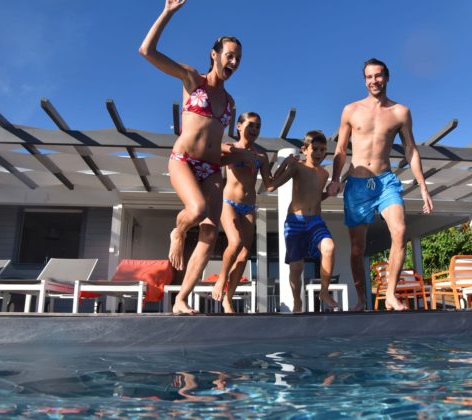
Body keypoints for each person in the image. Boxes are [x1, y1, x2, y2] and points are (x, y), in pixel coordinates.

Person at [139, 0, 253, 314]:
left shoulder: (230, 102)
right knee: (198, 209)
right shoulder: (193, 79)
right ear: (214, 54)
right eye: (229, 55)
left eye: (238, 59)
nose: (234, 61)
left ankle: (181, 299)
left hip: (211, 167)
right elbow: (147, 52)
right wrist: (168, 13)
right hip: (184, 161)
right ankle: (177, 231)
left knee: (210, 231)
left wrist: (234, 157)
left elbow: (213, 142)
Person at [326, 58, 433, 311]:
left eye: (378, 76)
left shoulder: (400, 112)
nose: (373, 81)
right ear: (364, 80)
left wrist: (423, 186)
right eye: (369, 77)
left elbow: (411, 149)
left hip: (385, 182)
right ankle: (362, 298)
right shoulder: (350, 110)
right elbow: (341, 149)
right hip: (357, 183)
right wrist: (334, 179)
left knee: (399, 231)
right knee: (356, 248)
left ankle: (391, 295)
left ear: (387, 77)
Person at [268, 131, 338, 313]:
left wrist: (328, 194)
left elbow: (315, 197)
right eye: (315, 149)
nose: (319, 153)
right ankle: (297, 300)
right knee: (297, 266)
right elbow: (271, 185)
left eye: (323, 150)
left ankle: (324, 291)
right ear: (304, 149)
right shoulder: (298, 167)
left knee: (329, 247)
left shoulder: (324, 173)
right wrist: (285, 164)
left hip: (315, 220)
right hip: (295, 221)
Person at [211, 112, 274, 313]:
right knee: (236, 242)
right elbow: (210, 147)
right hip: (228, 201)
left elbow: (270, 185)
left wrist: (288, 167)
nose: (254, 130)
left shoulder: (261, 157)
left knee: (245, 254)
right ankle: (221, 279)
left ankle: (228, 299)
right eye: (251, 125)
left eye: (258, 126)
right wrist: (235, 152)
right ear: (239, 126)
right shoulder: (229, 149)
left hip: (249, 206)